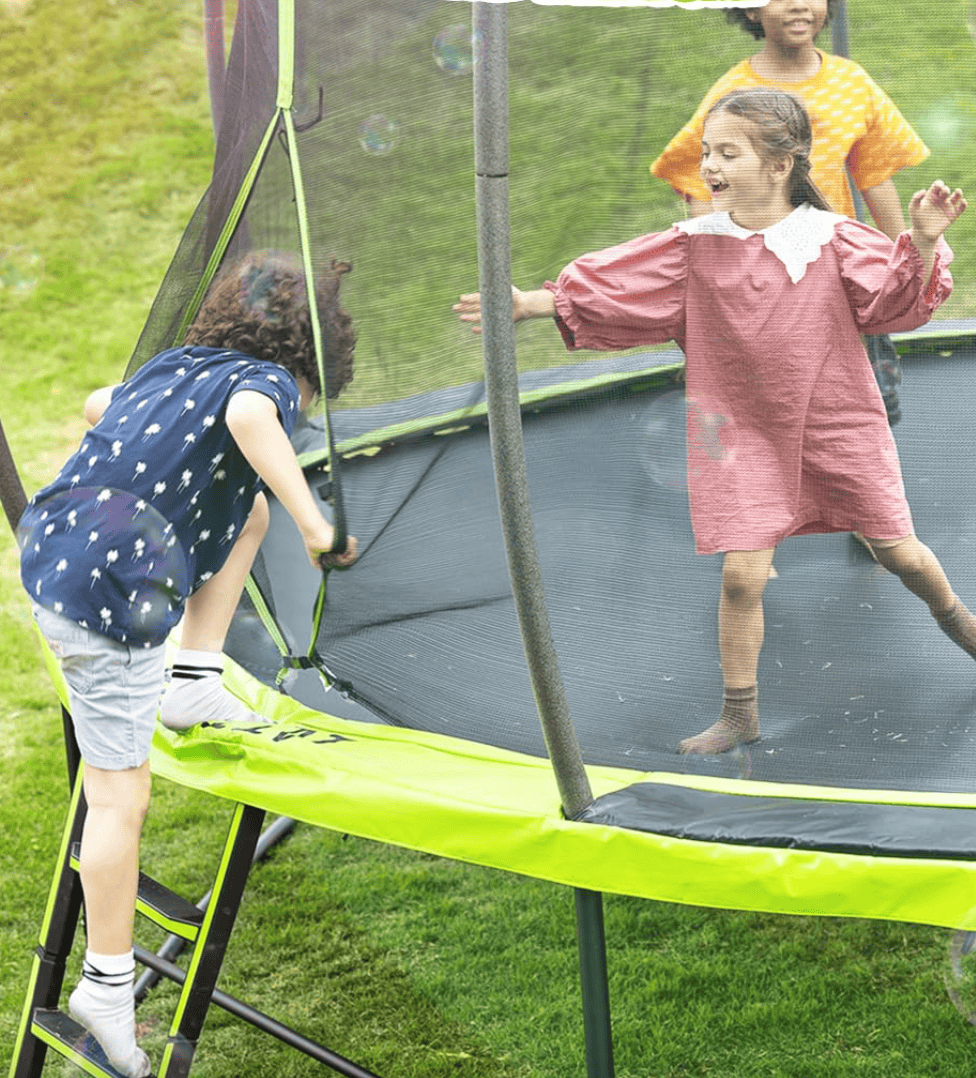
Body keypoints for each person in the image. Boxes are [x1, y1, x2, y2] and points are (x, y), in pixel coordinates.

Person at [454, 88, 971, 757]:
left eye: (728, 152)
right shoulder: (695, 247)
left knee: (900, 554)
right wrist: (532, 302)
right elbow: (619, 288)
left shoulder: (833, 239)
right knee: (741, 576)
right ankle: (739, 712)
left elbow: (897, 302)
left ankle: (960, 623)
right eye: (707, 152)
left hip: (836, 423)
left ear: (782, 164)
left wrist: (924, 242)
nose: (711, 166)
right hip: (743, 431)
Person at [18, 251, 359, 1077]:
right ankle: (106, 989)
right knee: (117, 799)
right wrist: (313, 523)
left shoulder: (176, 365)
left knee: (241, 507)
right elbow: (250, 416)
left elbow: (102, 402)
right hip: (106, 604)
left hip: (56, 562)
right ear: (304, 360)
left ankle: (193, 679)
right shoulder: (266, 383)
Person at [650, 0, 929, 425]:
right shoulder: (735, 94)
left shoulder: (850, 82)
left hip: (843, 269)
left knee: (873, 398)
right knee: (780, 400)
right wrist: (715, 264)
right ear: (749, 11)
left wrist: (910, 260)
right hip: (767, 275)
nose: (800, 4)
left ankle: (867, 475)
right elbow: (695, 176)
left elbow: (875, 173)